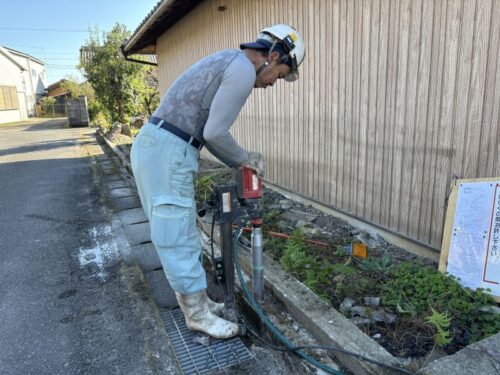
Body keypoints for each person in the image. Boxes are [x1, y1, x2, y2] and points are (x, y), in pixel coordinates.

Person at [130, 24, 305, 339]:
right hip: (167, 149)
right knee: (176, 233)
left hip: (164, 147)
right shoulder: (241, 71)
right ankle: (196, 315)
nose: (273, 84)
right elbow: (214, 133)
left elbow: (209, 131)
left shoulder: (229, 61)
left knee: (180, 226)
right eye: (279, 75)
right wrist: (245, 159)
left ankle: (200, 303)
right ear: (274, 56)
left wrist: (239, 159)